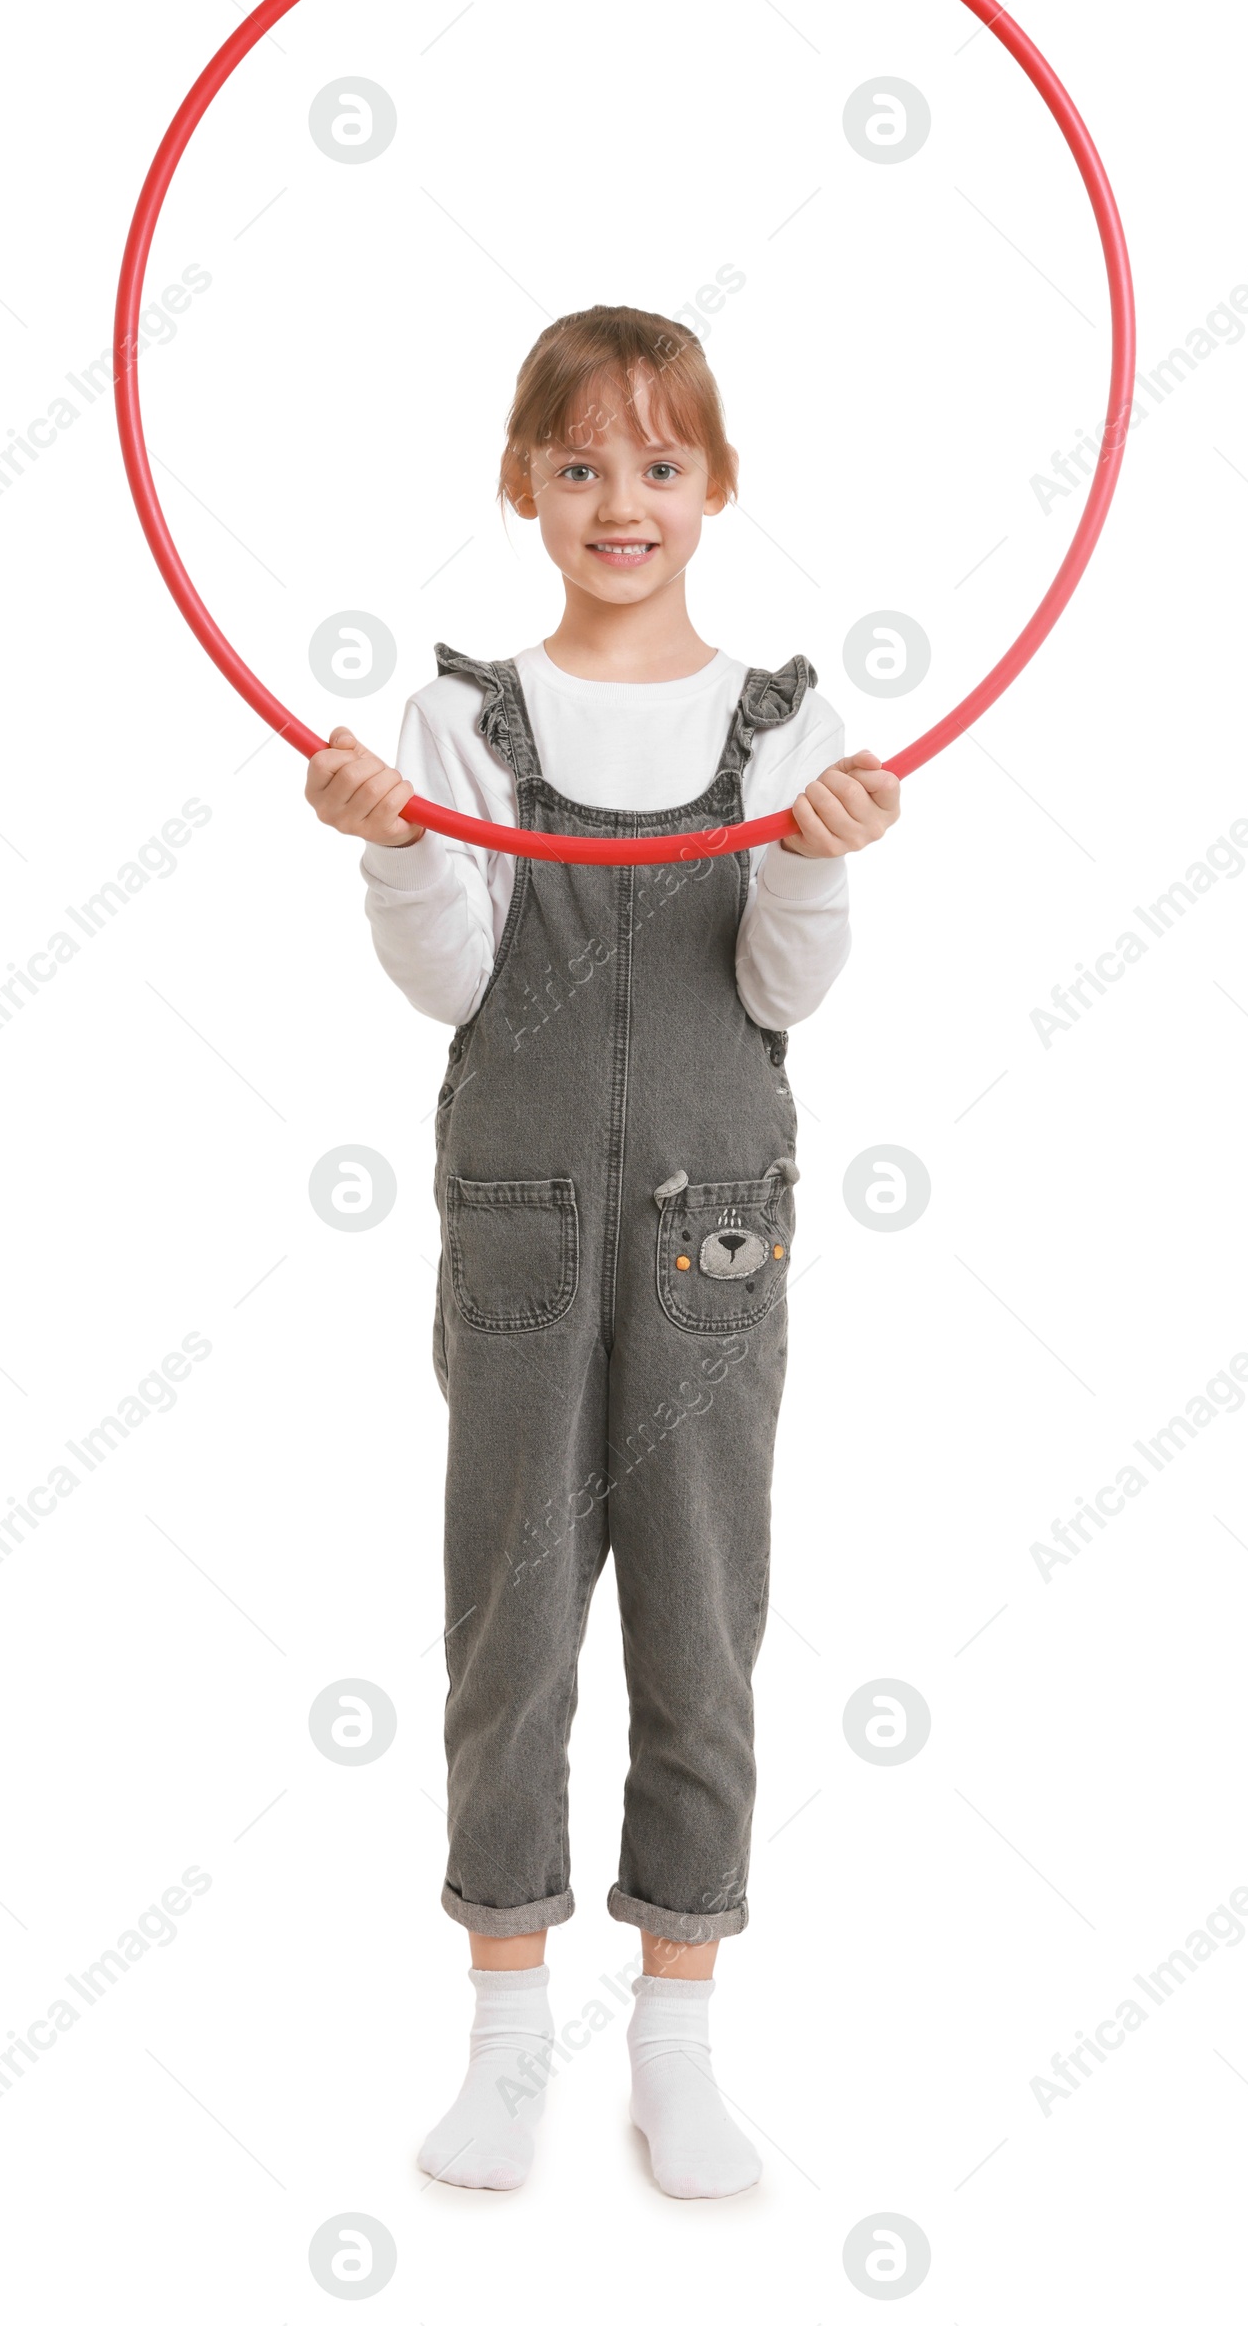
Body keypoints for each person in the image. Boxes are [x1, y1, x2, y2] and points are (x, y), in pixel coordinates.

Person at [305, 304, 900, 2198]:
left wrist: (814, 854)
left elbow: (782, 988)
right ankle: (500, 2036)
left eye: (659, 464)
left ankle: (677, 2037)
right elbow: (449, 981)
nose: (618, 501)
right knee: (510, 1608)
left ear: (715, 485)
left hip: (716, 1228)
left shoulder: (785, 723)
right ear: (523, 488)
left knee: (703, 1611)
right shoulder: (460, 722)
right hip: (518, 1216)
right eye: (579, 465)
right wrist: (393, 844)